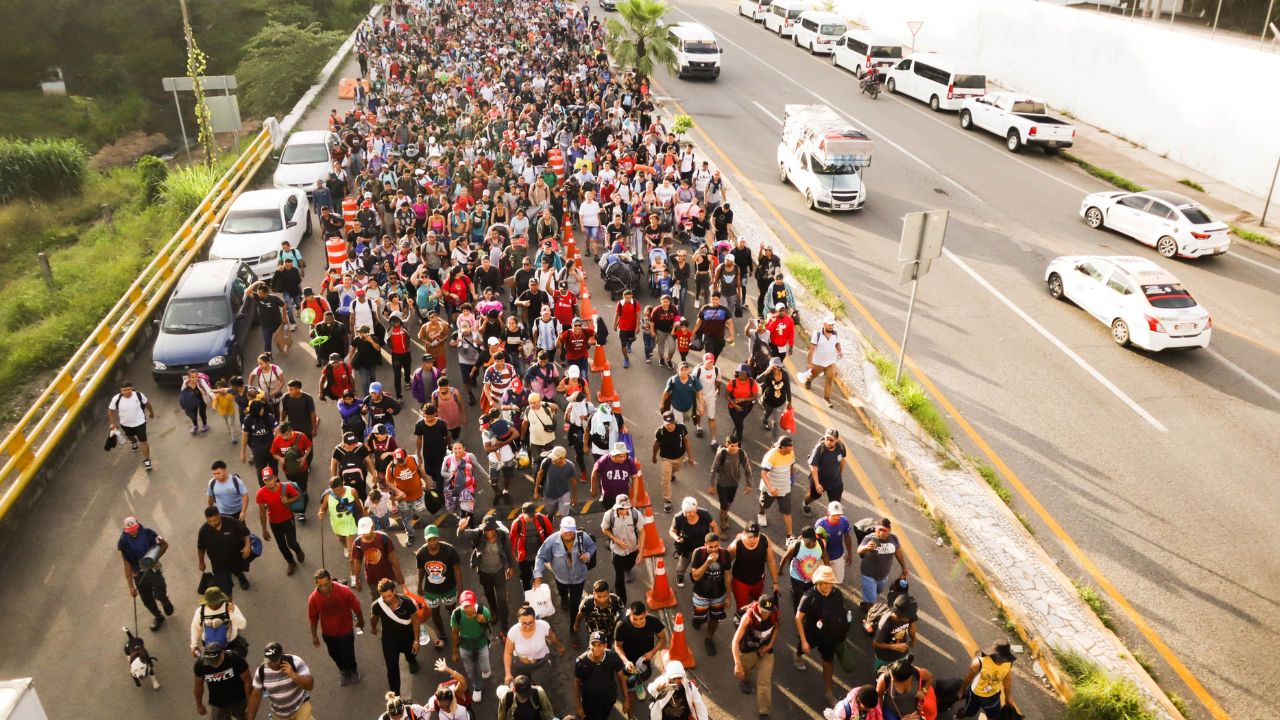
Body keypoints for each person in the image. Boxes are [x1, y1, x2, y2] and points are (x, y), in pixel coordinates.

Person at [795, 565, 851, 705]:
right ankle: (798, 656)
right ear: (818, 582)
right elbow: (798, 618)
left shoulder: (837, 594)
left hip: (829, 636)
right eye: (824, 583)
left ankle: (829, 692)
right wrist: (803, 641)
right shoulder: (809, 597)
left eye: (829, 582)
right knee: (802, 649)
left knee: (828, 663)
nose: (827, 586)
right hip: (811, 633)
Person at [533, 516, 597, 623]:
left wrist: (588, 554)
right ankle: (564, 599)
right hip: (560, 578)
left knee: (575, 603)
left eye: (571, 531)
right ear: (560, 529)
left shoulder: (583, 537)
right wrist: (537, 576)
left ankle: (573, 623)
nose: (568, 533)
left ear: (575, 529)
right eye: (565, 530)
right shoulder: (552, 540)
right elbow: (540, 556)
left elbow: (592, 546)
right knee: (562, 592)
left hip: (578, 578)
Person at [306, 568, 364, 686]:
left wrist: (360, 621)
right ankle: (343, 670)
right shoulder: (313, 598)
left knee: (348, 652)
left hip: (345, 629)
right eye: (320, 585)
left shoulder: (344, 591)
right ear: (316, 584)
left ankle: (353, 669)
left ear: (331, 580)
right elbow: (313, 617)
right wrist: (314, 635)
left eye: (326, 584)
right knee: (334, 653)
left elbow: (356, 606)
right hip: (328, 632)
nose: (324, 588)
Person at [457, 513, 515, 629]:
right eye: (486, 530)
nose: (489, 532)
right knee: (489, 594)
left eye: (491, 530)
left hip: (499, 571)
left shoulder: (503, 535)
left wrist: (510, 567)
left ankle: (504, 623)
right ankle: (494, 612)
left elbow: (508, 552)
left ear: (495, 529)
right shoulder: (477, 534)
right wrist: (461, 528)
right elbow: (462, 536)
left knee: (502, 598)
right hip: (484, 572)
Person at [118, 515, 174, 631]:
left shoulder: (148, 533)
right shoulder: (123, 542)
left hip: (153, 569)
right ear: (125, 530)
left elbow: (164, 545)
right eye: (130, 531)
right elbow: (126, 564)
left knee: (160, 591)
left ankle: (164, 600)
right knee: (147, 599)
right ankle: (158, 616)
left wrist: (153, 559)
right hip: (138, 574)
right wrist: (130, 586)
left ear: (138, 525)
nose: (133, 532)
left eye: (134, 529)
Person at [731, 593, 781, 720]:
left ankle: (764, 712)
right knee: (745, 669)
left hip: (765, 651)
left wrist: (770, 645)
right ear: (758, 605)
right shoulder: (748, 617)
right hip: (748, 650)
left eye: (768, 612)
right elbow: (735, 641)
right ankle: (745, 679)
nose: (765, 615)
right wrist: (737, 663)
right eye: (763, 611)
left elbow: (776, 627)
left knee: (764, 682)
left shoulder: (774, 613)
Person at [370, 578, 423, 695]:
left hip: (407, 637)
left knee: (410, 654)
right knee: (392, 668)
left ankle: (411, 661)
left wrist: (416, 641)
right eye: (384, 597)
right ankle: (396, 694)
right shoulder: (377, 606)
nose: (387, 599)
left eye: (389, 596)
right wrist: (373, 627)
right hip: (389, 641)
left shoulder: (408, 602)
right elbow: (374, 617)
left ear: (394, 591)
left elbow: (416, 620)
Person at [415, 524, 463, 650]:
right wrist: (419, 585)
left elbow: (457, 570)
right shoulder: (421, 553)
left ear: (438, 538)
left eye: (434, 539)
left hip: (449, 588)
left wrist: (460, 589)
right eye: (429, 540)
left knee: (451, 608)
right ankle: (442, 634)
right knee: (434, 612)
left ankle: (456, 631)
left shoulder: (449, 550)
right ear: (425, 539)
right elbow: (421, 571)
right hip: (431, 590)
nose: (432, 542)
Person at [256, 468, 306, 575]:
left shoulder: (285, 487)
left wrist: (288, 500)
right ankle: (291, 562)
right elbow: (262, 513)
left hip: (288, 520)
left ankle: (298, 550)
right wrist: (264, 529)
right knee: (281, 545)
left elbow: (298, 495)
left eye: (270, 478)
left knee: (291, 543)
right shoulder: (261, 493)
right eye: (266, 480)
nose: (268, 481)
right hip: (274, 523)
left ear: (275, 477)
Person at [503, 605, 567, 689]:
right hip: (521, 666)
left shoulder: (543, 626)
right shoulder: (513, 632)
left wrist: (560, 647)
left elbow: (552, 638)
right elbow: (508, 652)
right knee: (522, 689)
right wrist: (508, 673)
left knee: (539, 688)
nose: (528, 626)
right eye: (524, 624)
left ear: (535, 619)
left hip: (540, 664)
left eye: (531, 622)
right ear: (519, 621)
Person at [613, 602, 667, 700]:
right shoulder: (621, 625)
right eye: (635, 619)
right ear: (630, 615)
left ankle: (638, 683)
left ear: (646, 614)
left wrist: (652, 652)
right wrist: (626, 661)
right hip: (627, 657)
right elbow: (618, 646)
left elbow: (662, 638)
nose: (638, 622)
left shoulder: (654, 621)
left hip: (646, 658)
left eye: (641, 618)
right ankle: (628, 686)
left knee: (645, 673)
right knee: (625, 674)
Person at [726, 523, 781, 619]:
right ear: (744, 533)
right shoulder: (736, 545)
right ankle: (742, 624)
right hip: (740, 582)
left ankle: (755, 620)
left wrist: (775, 582)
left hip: (759, 580)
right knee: (742, 608)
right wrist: (726, 590)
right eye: (750, 537)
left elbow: (771, 561)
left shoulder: (764, 540)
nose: (753, 540)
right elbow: (726, 564)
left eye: (755, 536)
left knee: (757, 602)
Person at [247, 643, 314, 720]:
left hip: (301, 708)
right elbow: (256, 697)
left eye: (275, 661)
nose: (271, 664)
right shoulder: (261, 672)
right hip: (279, 715)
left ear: (281, 656)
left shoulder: (295, 662)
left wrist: (294, 675)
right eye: (269, 660)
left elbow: (310, 686)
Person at [689, 532, 730, 656]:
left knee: (714, 618)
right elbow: (695, 576)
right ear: (705, 545)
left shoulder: (725, 554)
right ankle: (698, 618)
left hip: (718, 594)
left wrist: (729, 596)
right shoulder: (698, 553)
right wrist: (707, 562)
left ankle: (709, 639)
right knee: (700, 617)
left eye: (716, 546)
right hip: (701, 593)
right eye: (710, 547)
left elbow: (727, 575)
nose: (713, 549)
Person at [450, 590, 493, 704]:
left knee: (485, 669)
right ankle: (477, 687)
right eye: (465, 606)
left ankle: (485, 670)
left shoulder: (484, 611)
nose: (467, 609)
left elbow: (488, 628)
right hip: (465, 645)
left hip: (481, 642)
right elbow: (454, 632)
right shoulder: (457, 614)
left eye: (469, 605)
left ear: (475, 602)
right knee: (470, 670)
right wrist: (454, 652)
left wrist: (484, 621)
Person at [575, 630, 630, 720]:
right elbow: (577, 682)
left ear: (605, 645)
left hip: (608, 699)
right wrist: (578, 706)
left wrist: (626, 699)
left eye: (599, 645)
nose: (596, 648)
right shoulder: (581, 661)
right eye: (593, 644)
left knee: (604, 716)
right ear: (589, 645)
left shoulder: (613, 657)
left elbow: (621, 676)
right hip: (589, 701)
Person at [599, 495, 644, 604]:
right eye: (621, 509)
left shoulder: (635, 514)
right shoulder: (609, 515)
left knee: (630, 565)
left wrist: (641, 552)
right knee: (619, 578)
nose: (624, 512)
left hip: (633, 549)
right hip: (617, 552)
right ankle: (621, 602)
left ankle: (628, 569)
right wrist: (616, 540)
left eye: (627, 509)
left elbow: (642, 532)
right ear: (616, 507)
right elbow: (604, 529)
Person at [197, 506, 252, 594]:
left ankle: (240, 576)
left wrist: (247, 546)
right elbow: (201, 548)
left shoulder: (232, 522)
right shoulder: (203, 531)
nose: (212, 523)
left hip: (235, 557)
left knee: (238, 570)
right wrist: (201, 562)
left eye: (214, 520)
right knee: (225, 591)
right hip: (218, 565)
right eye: (209, 521)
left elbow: (246, 532)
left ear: (219, 516)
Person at [317, 475, 363, 578]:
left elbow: (358, 504)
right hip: (337, 525)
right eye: (334, 491)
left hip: (350, 524)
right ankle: (345, 546)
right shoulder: (328, 496)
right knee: (341, 539)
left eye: (339, 490)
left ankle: (353, 574)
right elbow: (323, 508)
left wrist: (363, 516)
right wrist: (321, 512)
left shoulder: (352, 491)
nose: (337, 492)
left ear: (343, 485)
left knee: (351, 555)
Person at [858, 518, 909, 609]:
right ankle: (869, 611)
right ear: (876, 528)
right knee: (871, 601)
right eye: (879, 529)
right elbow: (859, 551)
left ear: (889, 530)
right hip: (868, 575)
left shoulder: (894, 538)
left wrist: (904, 567)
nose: (881, 533)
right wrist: (866, 547)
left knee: (878, 591)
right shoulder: (869, 538)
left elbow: (899, 553)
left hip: (883, 576)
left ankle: (868, 601)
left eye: (884, 530)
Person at [193, 640, 251, 720]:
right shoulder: (200, 665)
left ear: (222, 653)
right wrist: (199, 705)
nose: (214, 664)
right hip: (218, 704)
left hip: (240, 700)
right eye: (211, 662)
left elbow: (247, 680)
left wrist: (250, 702)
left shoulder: (235, 659)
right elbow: (198, 687)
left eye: (216, 660)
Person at [351, 516, 407, 596]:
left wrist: (399, 574)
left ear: (373, 527)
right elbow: (357, 562)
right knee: (377, 597)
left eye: (367, 531)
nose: (365, 535)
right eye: (363, 532)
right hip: (372, 578)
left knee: (392, 595)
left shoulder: (384, 538)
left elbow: (392, 557)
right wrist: (356, 579)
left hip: (388, 576)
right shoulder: (357, 543)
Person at [670, 496, 717, 588]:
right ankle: (680, 576)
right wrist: (677, 538)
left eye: (691, 511)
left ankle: (697, 575)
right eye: (686, 512)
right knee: (683, 564)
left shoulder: (704, 514)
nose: (689, 514)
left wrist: (714, 540)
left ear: (696, 509)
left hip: (702, 548)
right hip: (686, 549)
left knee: (702, 563)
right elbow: (672, 531)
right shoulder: (678, 518)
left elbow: (714, 526)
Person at [107, 381, 155, 471]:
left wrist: (151, 413)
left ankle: (147, 460)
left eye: (129, 389)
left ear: (132, 388)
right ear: (121, 391)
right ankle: (133, 442)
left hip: (140, 422)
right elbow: (110, 411)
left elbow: (147, 403)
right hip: (125, 424)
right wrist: (112, 423)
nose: (127, 392)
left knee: (143, 441)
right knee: (130, 437)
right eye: (124, 390)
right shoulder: (116, 399)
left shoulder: (138, 395)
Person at [652, 411, 694, 514]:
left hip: (679, 457)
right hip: (666, 458)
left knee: (676, 469)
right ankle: (667, 501)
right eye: (667, 424)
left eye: (671, 424)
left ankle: (673, 472)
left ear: (674, 421)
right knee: (666, 479)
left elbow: (686, 441)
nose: (669, 426)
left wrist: (690, 457)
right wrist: (654, 456)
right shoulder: (660, 432)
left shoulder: (681, 428)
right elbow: (656, 445)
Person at [779, 526, 829, 612]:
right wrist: (780, 570)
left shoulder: (821, 544)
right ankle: (797, 614)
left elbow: (825, 557)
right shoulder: (796, 546)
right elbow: (785, 557)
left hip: (811, 577)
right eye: (808, 542)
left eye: (813, 541)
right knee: (798, 598)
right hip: (796, 577)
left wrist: (828, 572)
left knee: (809, 595)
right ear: (802, 539)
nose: (811, 544)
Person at [271, 422, 313, 522]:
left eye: (287, 434)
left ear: (291, 431)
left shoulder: (301, 436)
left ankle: (302, 511)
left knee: (302, 488)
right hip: (288, 470)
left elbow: (308, 447)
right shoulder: (277, 440)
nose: (285, 437)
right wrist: (280, 459)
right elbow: (273, 453)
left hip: (302, 469)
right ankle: (295, 503)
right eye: (282, 435)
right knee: (293, 487)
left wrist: (304, 458)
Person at [190, 586, 247, 658]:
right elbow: (195, 628)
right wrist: (194, 645)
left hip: (231, 644)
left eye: (215, 603)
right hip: (210, 647)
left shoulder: (230, 607)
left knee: (237, 664)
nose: (213, 605)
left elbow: (242, 625)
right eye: (210, 603)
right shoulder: (201, 611)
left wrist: (231, 614)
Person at [709, 434, 752, 530]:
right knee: (724, 505)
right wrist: (712, 485)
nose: (735, 448)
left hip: (734, 483)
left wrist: (749, 484)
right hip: (722, 484)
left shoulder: (741, 453)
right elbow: (714, 469)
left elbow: (747, 469)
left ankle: (724, 515)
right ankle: (722, 523)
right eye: (732, 446)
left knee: (729, 502)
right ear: (727, 444)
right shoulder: (722, 454)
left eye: (737, 445)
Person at [386, 448, 428, 544]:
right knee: (406, 519)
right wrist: (397, 490)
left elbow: (421, 471)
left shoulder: (413, 459)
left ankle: (415, 514)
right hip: (403, 500)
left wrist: (427, 483)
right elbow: (388, 481)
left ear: (406, 456)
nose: (400, 463)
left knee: (421, 511)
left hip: (418, 495)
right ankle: (411, 535)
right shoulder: (391, 467)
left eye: (402, 460)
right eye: (398, 461)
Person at [757, 435, 797, 538]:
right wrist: (770, 487)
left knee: (787, 511)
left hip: (784, 487)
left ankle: (790, 536)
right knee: (764, 504)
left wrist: (792, 476)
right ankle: (761, 513)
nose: (792, 448)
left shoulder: (791, 453)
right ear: (782, 447)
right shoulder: (771, 456)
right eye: (789, 446)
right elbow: (763, 473)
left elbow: (791, 465)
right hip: (771, 488)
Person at [510, 502, 555, 591]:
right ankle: (527, 593)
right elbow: (512, 539)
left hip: (539, 555)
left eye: (531, 516)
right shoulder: (517, 523)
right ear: (522, 514)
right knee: (525, 577)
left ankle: (537, 592)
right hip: (524, 556)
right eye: (527, 517)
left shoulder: (543, 519)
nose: (530, 519)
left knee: (538, 576)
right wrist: (514, 555)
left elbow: (551, 535)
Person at [875, 656, 936, 720]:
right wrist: (880, 714)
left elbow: (930, 678)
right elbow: (879, 696)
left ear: (909, 678)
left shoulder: (918, 673)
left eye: (896, 681)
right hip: (891, 711)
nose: (892, 681)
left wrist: (923, 691)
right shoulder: (884, 679)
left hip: (913, 713)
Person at [805, 429, 848, 518]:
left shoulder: (841, 447)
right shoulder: (819, 448)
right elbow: (813, 467)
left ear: (837, 440)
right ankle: (805, 503)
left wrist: (840, 474)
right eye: (826, 438)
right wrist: (817, 484)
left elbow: (843, 460)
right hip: (819, 481)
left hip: (835, 483)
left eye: (831, 440)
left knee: (835, 505)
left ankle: (830, 523)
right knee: (813, 496)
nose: (828, 442)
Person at [574, 579, 626, 651]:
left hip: (609, 631)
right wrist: (576, 624)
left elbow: (622, 613)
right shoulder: (587, 602)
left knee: (607, 648)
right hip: (592, 633)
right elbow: (580, 614)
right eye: (599, 596)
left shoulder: (616, 600)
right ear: (594, 594)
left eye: (605, 596)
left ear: (608, 593)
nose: (602, 599)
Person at [872, 595, 919, 671]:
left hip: (901, 653)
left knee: (900, 672)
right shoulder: (885, 622)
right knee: (881, 673)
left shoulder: (908, 616)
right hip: (884, 657)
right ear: (899, 615)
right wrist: (893, 646)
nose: (910, 619)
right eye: (908, 617)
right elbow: (875, 644)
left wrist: (913, 639)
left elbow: (912, 625)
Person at [805, 315, 844, 407]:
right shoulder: (817, 334)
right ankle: (808, 380)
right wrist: (809, 363)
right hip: (818, 363)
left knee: (830, 379)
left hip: (830, 362)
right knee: (813, 374)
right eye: (829, 325)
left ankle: (826, 398)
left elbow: (837, 343)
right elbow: (811, 350)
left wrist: (840, 351)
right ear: (824, 324)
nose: (831, 327)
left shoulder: (835, 334)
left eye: (832, 325)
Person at [590, 442, 642, 510]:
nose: (623, 458)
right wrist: (593, 488)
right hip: (608, 497)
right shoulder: (604, 460)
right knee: (610, 516)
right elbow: (594, 473)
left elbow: (635, 478)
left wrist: (634, 498)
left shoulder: (629, 461)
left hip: (624, 497)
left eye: (624, 456)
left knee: (622, 515)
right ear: (614, 455)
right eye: (620, 456)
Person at [533, 445, 578, 520]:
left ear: (562, 458)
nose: (552, 459)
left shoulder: (570, 466)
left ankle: (563, 525)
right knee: (550, 512)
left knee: (565, 515)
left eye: (554, 458)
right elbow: (540, 474)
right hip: (549, 494)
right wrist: (536, 491)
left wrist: (575, 497)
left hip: (564, 494)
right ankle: (550, 517)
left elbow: (574, 483)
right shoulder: (547, 462)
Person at [724, 363, 759, 439]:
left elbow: (754, 397)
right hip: (733, 406)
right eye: (739, 372)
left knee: (739, 421)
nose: (741, 374)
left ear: (747, 374)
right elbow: (726, 395)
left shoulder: (752, 382)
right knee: (740, 427)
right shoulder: (733, 382)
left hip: (747, 406)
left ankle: (736, 429)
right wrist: (735, 405)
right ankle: (738, 442)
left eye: (743, 373)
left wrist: (742, 399)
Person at [756, 357, 791, 432]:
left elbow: (788, 388)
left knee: (777, 416)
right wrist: (767, 370)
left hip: (781, 401)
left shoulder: (785, 375)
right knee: (768, 413)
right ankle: (765, 421)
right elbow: (758, 380)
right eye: (773, 367)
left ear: (780, 367)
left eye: (777, 367)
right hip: (768, 401)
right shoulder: (769, 375)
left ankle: (774, 423)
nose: (775, 369)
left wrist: (790, 401)